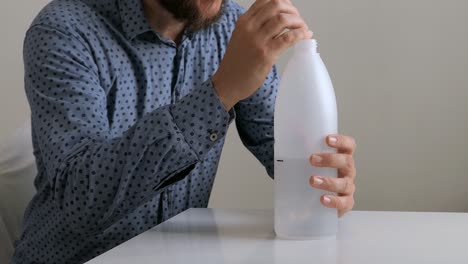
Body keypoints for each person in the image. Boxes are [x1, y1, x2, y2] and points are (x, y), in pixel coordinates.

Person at [13, 0, 357, 263]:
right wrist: (222, 90)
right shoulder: (65, 30)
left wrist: (328, 180)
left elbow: (281, 148)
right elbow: (81, 199)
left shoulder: (231, 31)